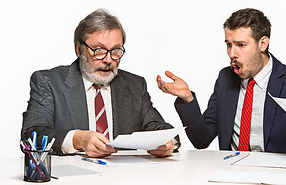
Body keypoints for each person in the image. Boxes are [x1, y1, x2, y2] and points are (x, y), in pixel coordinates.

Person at [157, 8, 286, 155]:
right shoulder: (225, 79)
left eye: (241, 45)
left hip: (281, 177)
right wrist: (187, 98)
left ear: (263, 43)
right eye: (229, 45)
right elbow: (202, 139)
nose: (232, 53)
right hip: (232, 172)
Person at [22, 9, 178, 158]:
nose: (108, 60)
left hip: (123, 179)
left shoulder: (135, 85)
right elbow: (31, 135)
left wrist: (167, 143)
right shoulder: (48, 82)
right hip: (71, 181)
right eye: (99, 50)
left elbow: (158, 128)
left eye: (116, 50)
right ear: (79, 49)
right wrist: (77, 139)